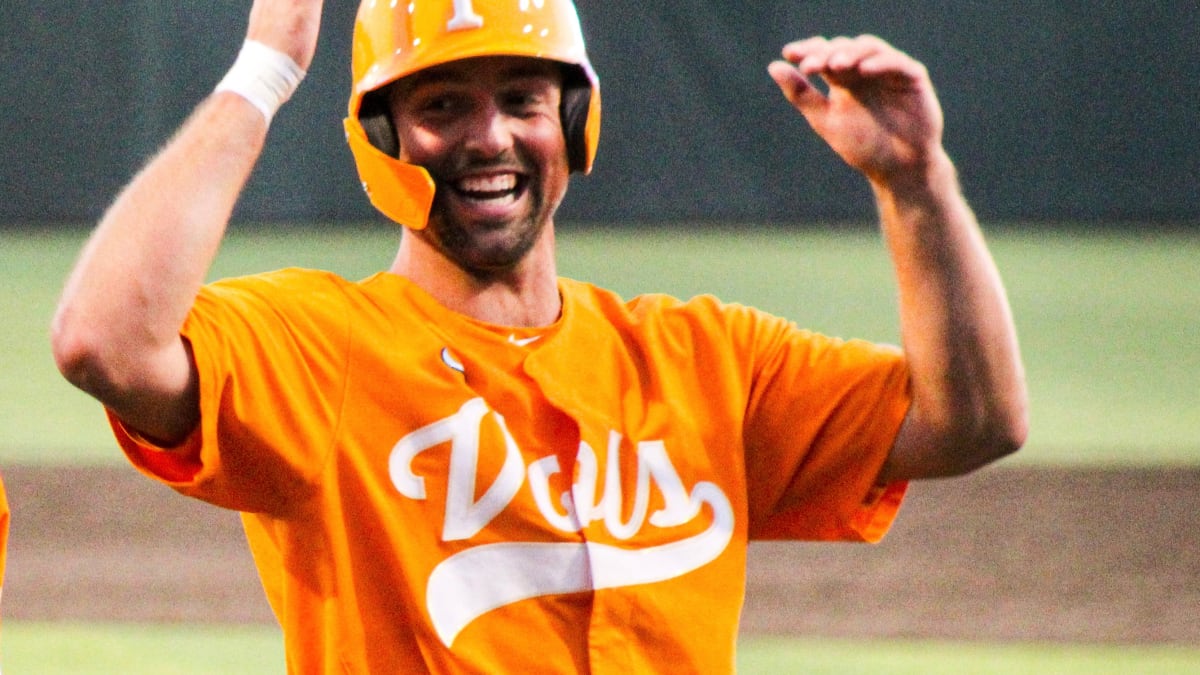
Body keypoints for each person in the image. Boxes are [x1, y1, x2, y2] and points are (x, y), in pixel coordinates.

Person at [51, 0, 1027, 671]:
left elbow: (972, 423)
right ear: (380, 142)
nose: (491, 137)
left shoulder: (701, 359)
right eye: (442, 106)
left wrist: (917, 186)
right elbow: (107, 343)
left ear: (573, 121)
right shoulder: (321, 349)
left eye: (523, 98)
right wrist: (262, 77)